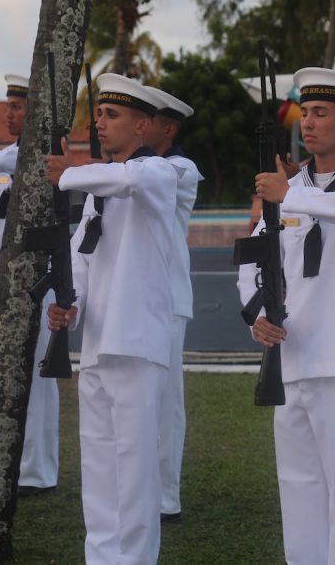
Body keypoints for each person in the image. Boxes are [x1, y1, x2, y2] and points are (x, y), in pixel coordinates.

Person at [236, 68, 335, 565]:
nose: (308, 123)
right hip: (292, 353)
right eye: (305, 112)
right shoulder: (292, 183)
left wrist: (290, 195)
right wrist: (256, 314)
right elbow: (254, 257)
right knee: (300, 489)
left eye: (321, 113)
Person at [45, 73, 180, 565]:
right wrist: (70, 301)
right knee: (99, 465)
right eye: (99, 114)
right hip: (99, 339)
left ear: (144, 125)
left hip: (139, 340)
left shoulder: (158, 174)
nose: (100, 123)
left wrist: (67, 172)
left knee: (136, 468)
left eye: (112, 115)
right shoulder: (100, 187)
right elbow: (83, 256)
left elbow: (128, 179)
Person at [0, 73, 60, 496]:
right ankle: (17, 463)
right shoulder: (1, 164)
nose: (9, 114)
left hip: (43, 280)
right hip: (9, 284)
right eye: (7, 107)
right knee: (9, 376)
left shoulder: (49, 161)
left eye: (17, 108)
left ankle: (38, 471)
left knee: (38, 376)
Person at [142, 86, 202, 524]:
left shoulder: (181, 168)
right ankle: (141, 487)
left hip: (165, 296)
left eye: (150, 119)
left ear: (169, 127)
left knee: (164, 402)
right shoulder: (130, 167)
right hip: (133, 297)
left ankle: (165, 496)